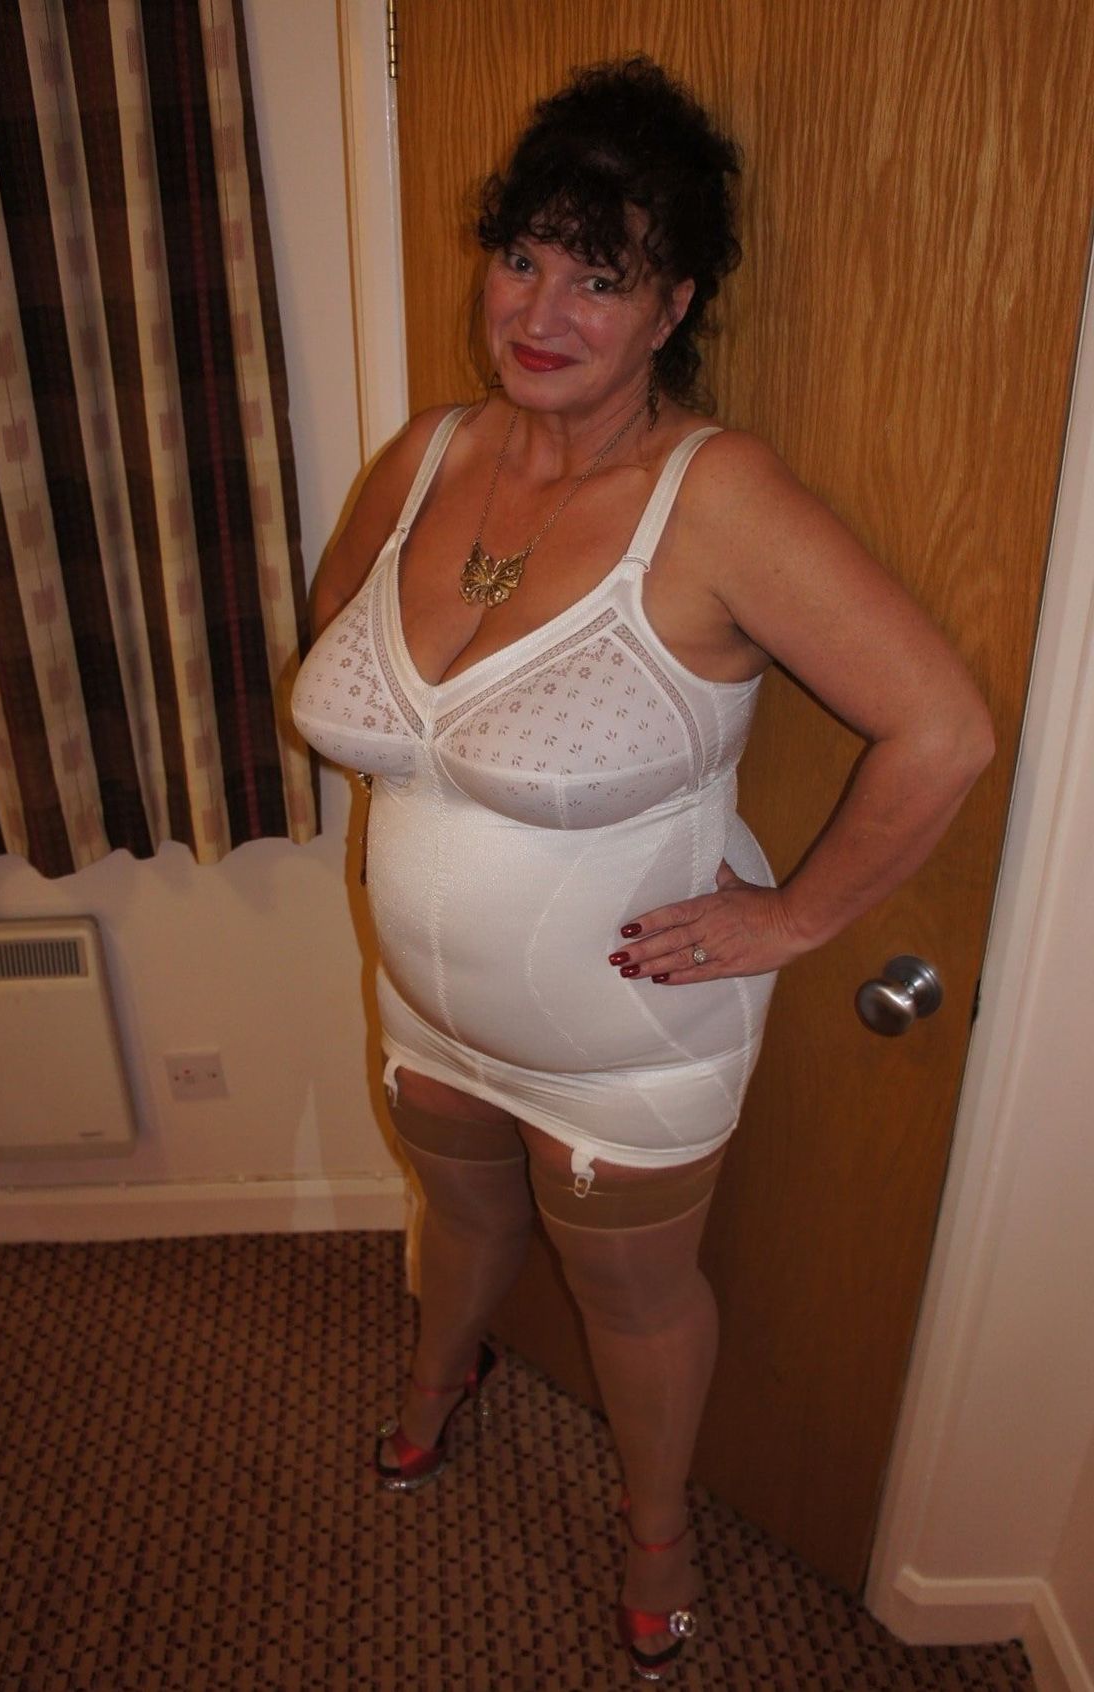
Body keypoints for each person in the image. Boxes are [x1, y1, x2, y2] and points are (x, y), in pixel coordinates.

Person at [292, 56, 993, 1682]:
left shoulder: (716, 498)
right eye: (523, 256)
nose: (540, 310)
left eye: (598, 279)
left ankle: (659, 1532)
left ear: (673, 306)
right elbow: (337, 632)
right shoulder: (427, 455)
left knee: (633, 1301)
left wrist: (794, 917)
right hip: (426, 1011)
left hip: (626, 1042)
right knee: (460, 1217)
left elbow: (943, 731)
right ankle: (442, 1376)